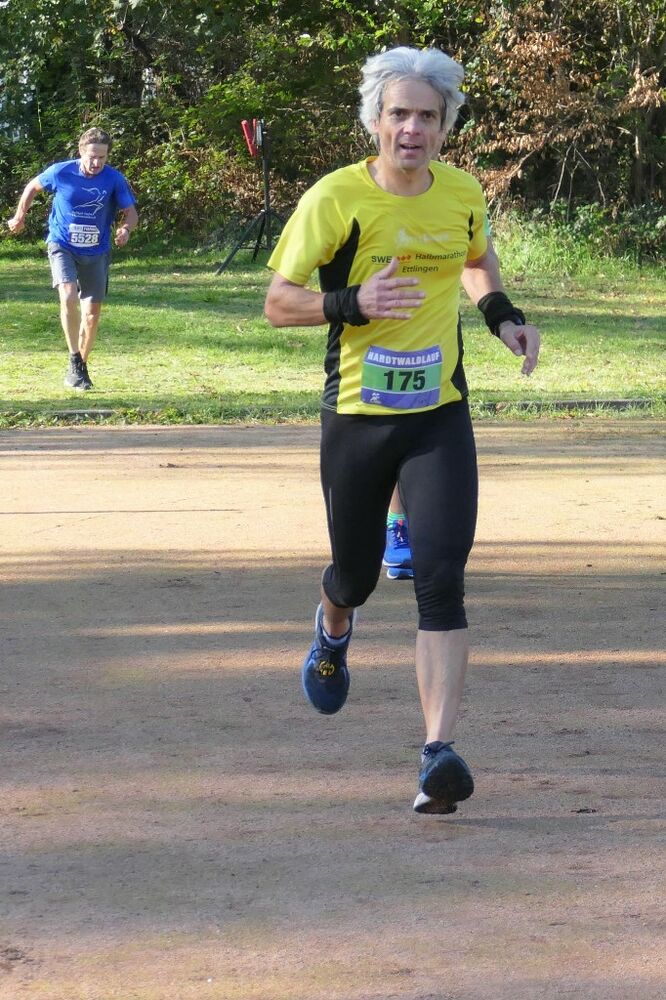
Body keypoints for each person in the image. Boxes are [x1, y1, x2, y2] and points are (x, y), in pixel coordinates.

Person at [264, 46, 540, 815]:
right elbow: (279, 302)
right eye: (399, 115)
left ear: (446, 126)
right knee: (354, 576)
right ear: (375, 122)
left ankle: (436, 754)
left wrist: (504, 318)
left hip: (437, 415)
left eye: (427, 116)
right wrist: (351, 303)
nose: (412, 129)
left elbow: (476, 262)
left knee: (441, 577)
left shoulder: (461, 193)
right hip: (358, 415)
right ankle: (333, 626)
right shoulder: (335, 199)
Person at [7, 127, 138, 390]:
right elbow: (33, 187)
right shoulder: (61, 171)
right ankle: (74, 357)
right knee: (67, 295)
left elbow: (131, 213)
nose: (96, 163)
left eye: (102, 157)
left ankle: (79, 367)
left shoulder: (114, 179)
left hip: (96, 251)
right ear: (81, 152)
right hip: (62, 244)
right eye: (92, 156)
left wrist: (125, 229)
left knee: (91, 315)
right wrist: (20, 216)